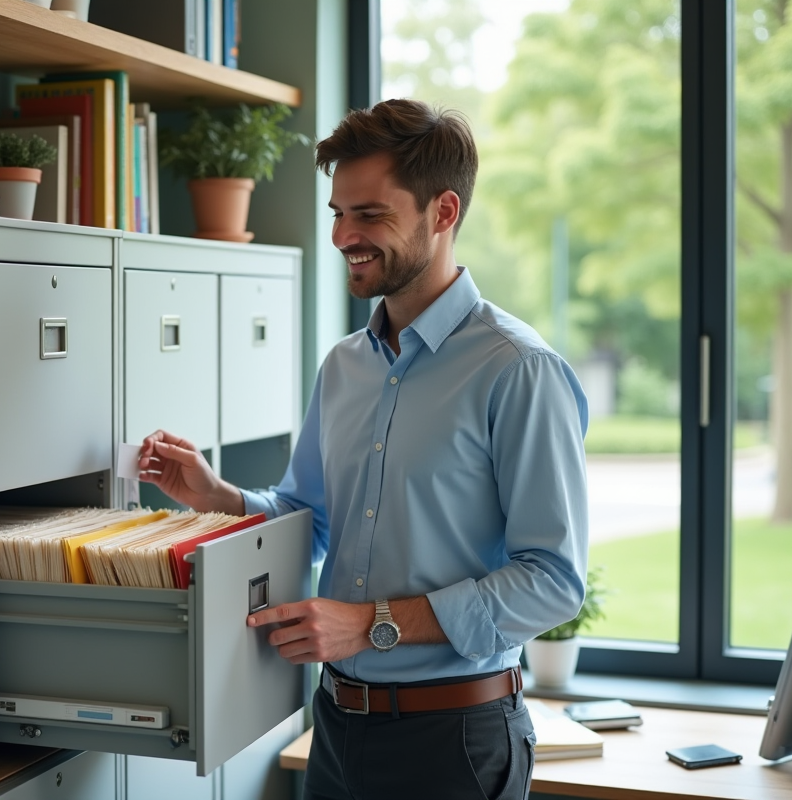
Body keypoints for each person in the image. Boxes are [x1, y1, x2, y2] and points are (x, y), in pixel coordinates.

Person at [139, 99, 589, 800]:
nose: (344, 235)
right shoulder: (345, 366)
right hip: (337, 729)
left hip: (455, 743)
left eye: (370, 215)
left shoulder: (518, 370)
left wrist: (372, 625)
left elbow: (553, 580)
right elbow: (311, 520)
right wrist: (217, 498)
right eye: (337, 213)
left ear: (442, 213)